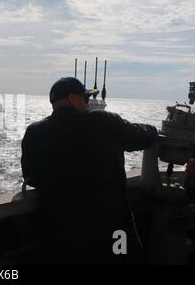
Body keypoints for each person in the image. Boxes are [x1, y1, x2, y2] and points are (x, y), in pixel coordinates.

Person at [21, 77, 158, 264]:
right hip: (113, 229)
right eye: (84, 98)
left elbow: (32, 177)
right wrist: (153, 129)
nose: (87, 103)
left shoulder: (34, 132)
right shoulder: (103, 120)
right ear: (72, 98)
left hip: (65, 235)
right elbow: (141, 137)